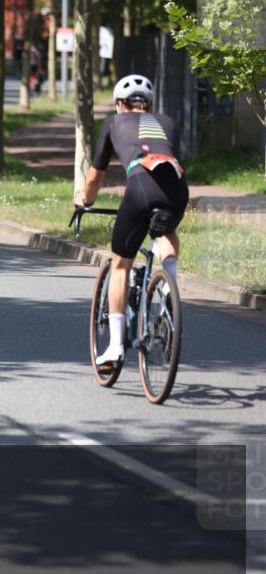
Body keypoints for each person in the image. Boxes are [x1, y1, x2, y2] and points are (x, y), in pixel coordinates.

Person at [74, 74, 189, 366]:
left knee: (120, 264)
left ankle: (114, 347)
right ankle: (169, 282)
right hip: (177, 188)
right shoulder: (169, 123)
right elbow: (167, 154)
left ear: (120, 105)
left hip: (140, 186)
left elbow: (95, 176)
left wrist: (85, 200)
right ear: (148, 105)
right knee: (165, 229)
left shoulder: (114, 123)